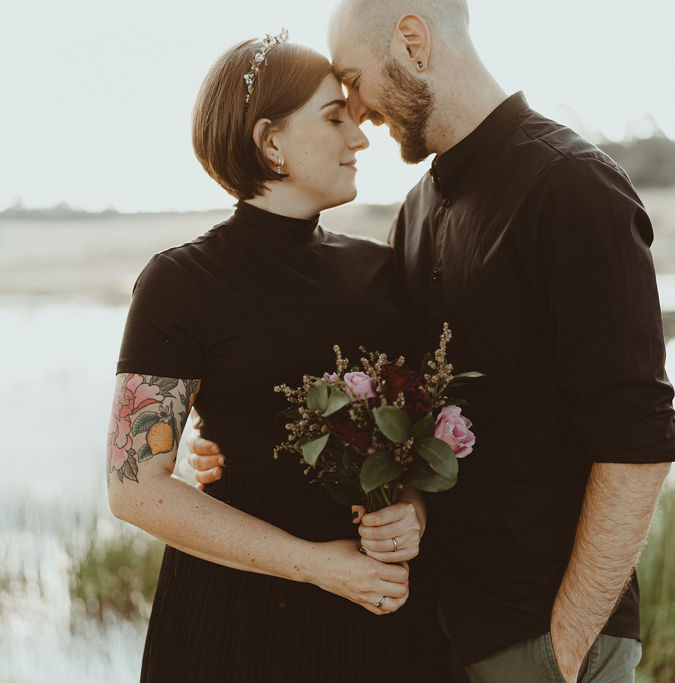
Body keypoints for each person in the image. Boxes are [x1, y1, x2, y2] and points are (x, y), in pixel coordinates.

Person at [196, 2, 675, 681]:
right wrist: (237, 438)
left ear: (412, 41)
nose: (357, 112)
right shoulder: (418, 212)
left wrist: (567, 647)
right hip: (436, 631)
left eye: (353, 79)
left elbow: (636, 438)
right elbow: (388, 410)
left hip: (543, 636)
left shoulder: (571, 185)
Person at [108, 32, 449, 682]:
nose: (360, 138)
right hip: (233, 619)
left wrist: (413, 512)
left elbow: (416, 441)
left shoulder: (382, 272)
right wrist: (316, 564)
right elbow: (135, 489)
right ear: (270, 143)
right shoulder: (180, 283)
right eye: (335, 118)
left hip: (374, 611)